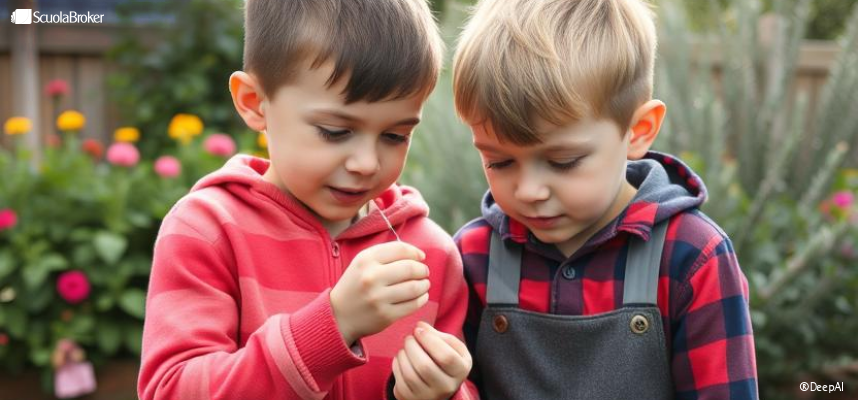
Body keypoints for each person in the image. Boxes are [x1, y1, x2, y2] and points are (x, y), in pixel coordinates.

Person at [138, 1, 477, 399]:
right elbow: (172, 390)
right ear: (253, 101)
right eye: (335, 131)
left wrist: (445, 392)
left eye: (395, 136)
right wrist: (332, 325)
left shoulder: (429, 254)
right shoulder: (208, 232)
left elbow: (463, 387)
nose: (367, 164)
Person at [451, 0, 758, 398]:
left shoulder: (692, 258)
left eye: (563, 161)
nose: (528, 191)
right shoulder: (475, 257)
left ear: (638, 130)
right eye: (499, 161)